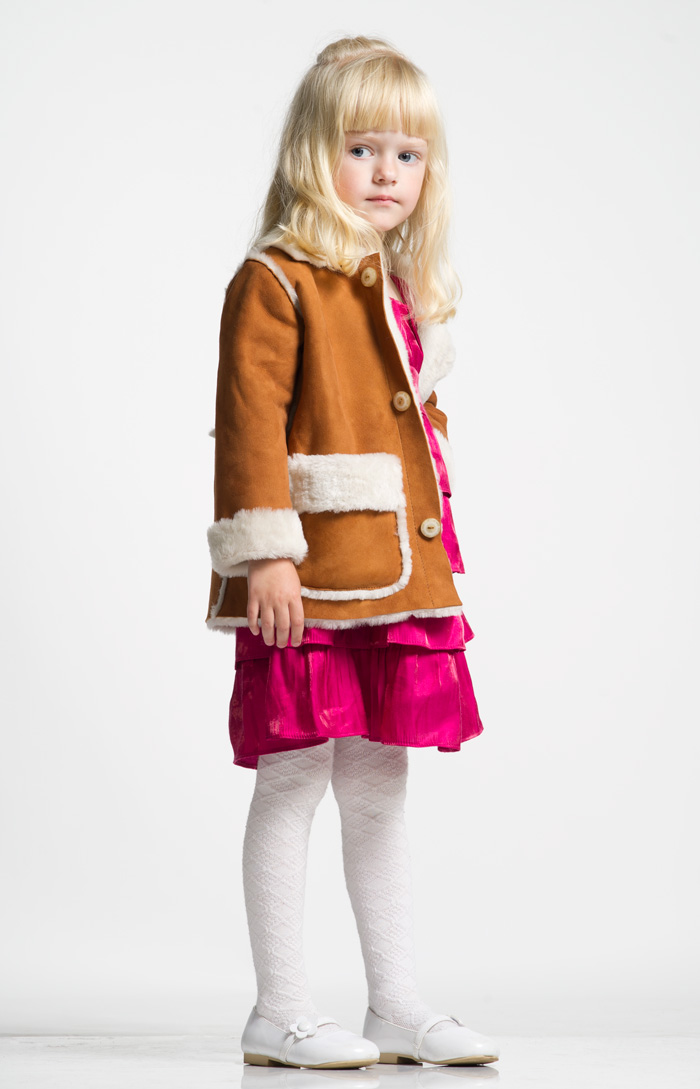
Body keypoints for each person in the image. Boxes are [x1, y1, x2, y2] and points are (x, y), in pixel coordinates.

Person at [206, 35, 499, 1070]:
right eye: (362, 148)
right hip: (306, 578)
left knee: (380, 788)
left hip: (395, 577)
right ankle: (279, 1010)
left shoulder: (398, 286)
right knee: (292, 780)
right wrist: (266, 555)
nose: (386, 173)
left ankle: (395, 1004)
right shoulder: (275, 279)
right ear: (311, 153)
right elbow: (250, 425)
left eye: (407, 155)